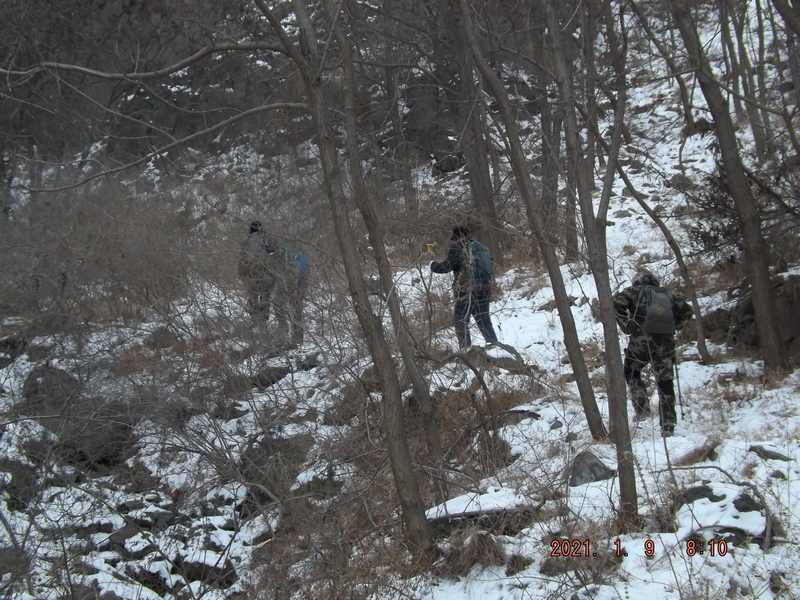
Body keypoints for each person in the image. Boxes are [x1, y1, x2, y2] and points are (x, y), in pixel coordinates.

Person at [613, 270, 693, 437]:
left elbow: (616, 302)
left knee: (631, 372)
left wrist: (626, 325)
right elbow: (687, 311)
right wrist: (674, 326)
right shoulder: (668, 294)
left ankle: (642, 409)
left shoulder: (635, 291)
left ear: (638, 281)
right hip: (664, 342)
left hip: (640, 341)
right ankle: (668, 424)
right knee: (665, 382)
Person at [238, 221, 308, 347]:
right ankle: (295, 340)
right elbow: (279, 256)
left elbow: (242, 267)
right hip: (284, 276)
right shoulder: (275, 241)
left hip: (254, 280)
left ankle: (265, 338)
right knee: (292, 305)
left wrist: (246, 279)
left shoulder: (246, 243)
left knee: (268, 306)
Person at [430, 225, 498, 350]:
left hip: (467, 290)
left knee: (460, 319)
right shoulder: (478, 247)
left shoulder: (458, 248)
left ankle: (465, 348)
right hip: (484, 288)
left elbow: (445, 267)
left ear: (456, 236)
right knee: (483, 318)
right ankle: (494, 344)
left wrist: (433, 265)